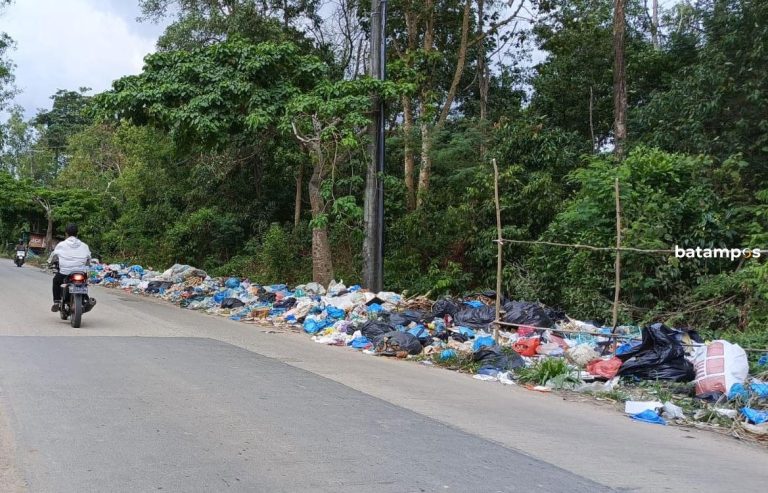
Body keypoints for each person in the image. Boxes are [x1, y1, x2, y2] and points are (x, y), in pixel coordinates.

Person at [48, 223, 91, 312]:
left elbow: (53, 256)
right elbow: (89, 258)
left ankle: (56, 302)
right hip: (80, 272)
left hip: (65, 272)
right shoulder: (84, 245)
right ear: (77, 233)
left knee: (56, 281)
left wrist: (49, 262)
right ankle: (86, 299)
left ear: (66, 233)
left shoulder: (61, 245)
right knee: (84, 283)